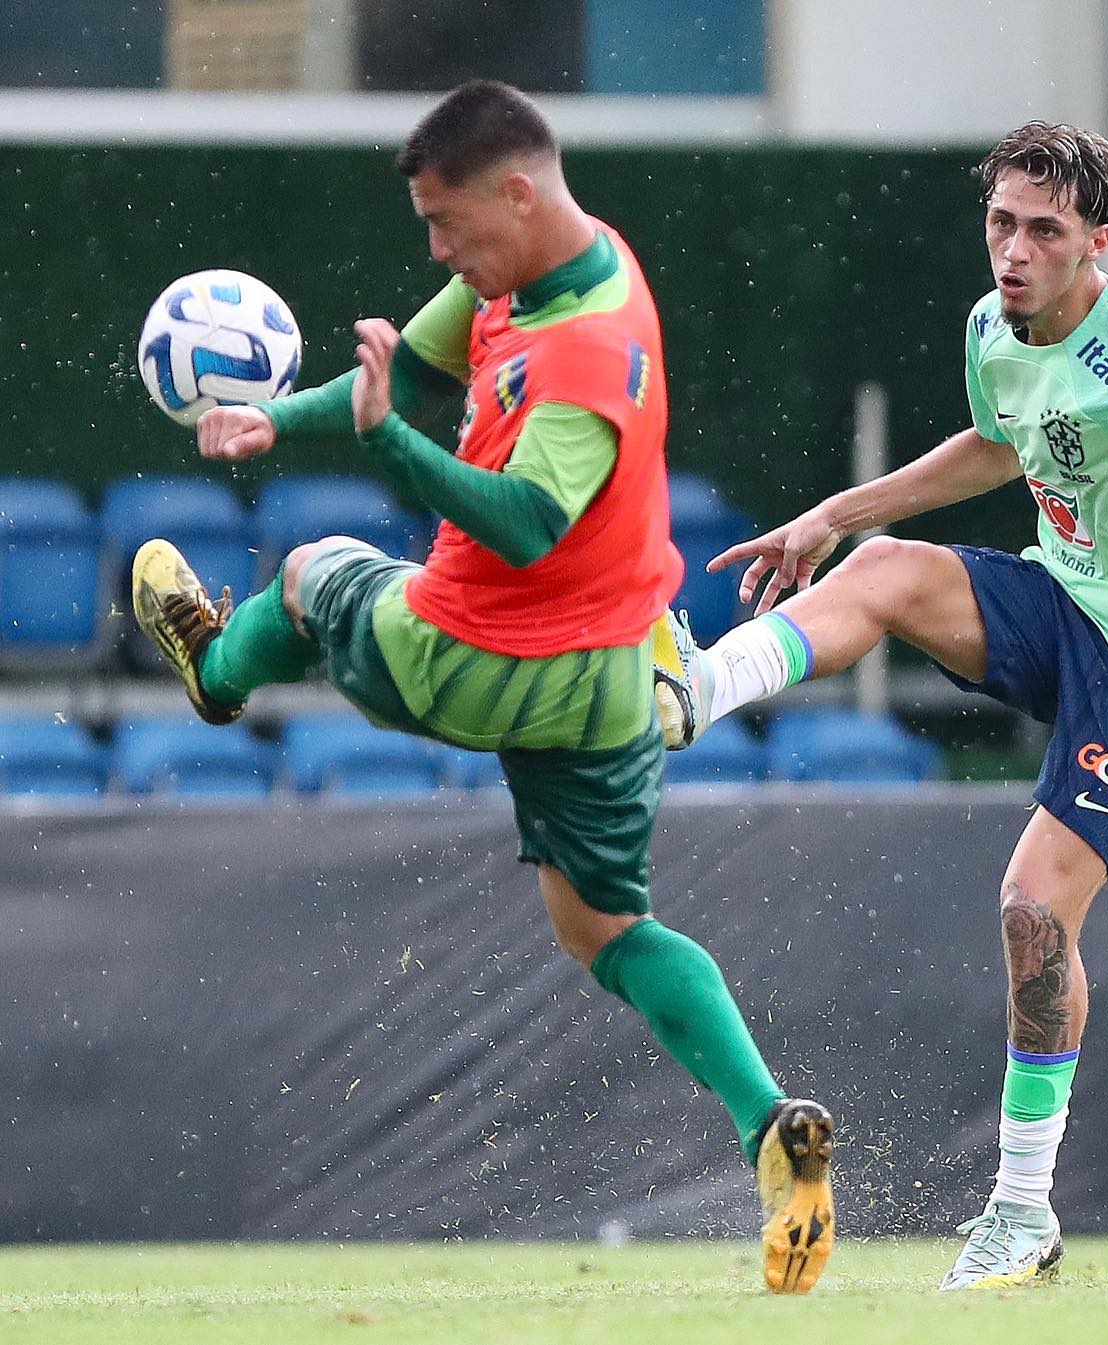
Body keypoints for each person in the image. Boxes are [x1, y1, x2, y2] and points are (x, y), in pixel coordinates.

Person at [131, 79, 834, 1294]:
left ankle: (214, 674)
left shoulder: (588, 348)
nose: (436, 250)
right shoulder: (540, 270)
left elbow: (524, 521)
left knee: (310, 571)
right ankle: (771, 1124)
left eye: (445, 225)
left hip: (476, 653)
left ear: (514, 193)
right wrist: (278, 421)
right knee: (604, 927)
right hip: (609, 686)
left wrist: (383, 446)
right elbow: (406, 373)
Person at [653, 121, 1108, 1291]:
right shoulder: (991, 328)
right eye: (1002, 222)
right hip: (1066, 600)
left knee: (1032, 913)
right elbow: (998, 447)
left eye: (1045, 231)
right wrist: (834, 513)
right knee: (885, 567)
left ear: (1096, 242)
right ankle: (699, 689)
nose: (1015, 249)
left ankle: (1020, 1209)